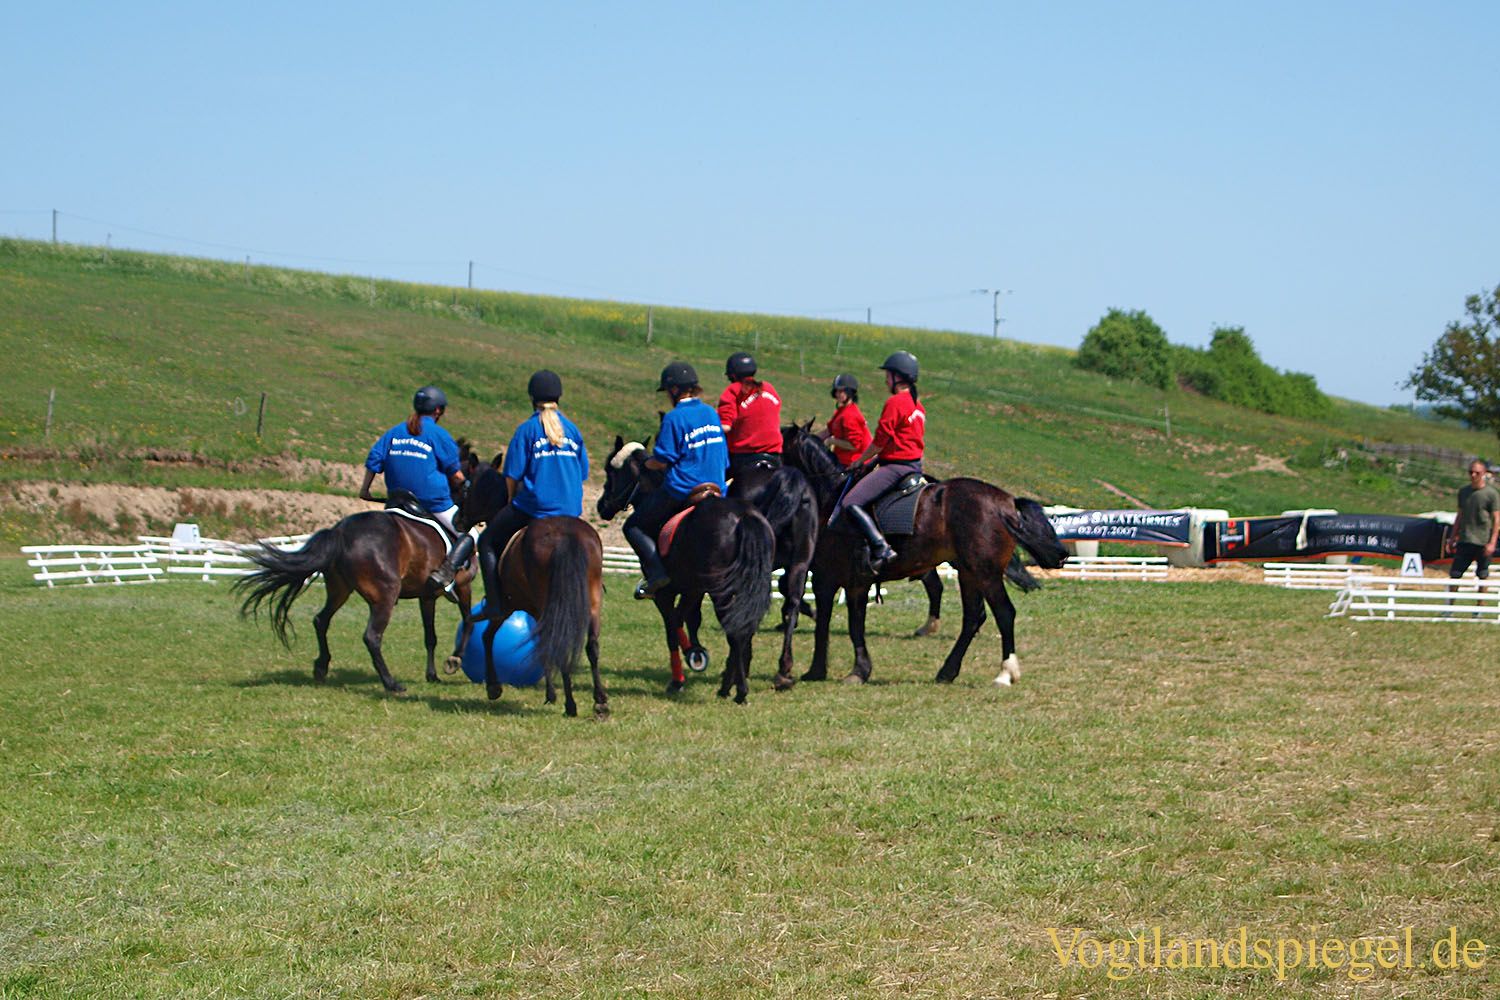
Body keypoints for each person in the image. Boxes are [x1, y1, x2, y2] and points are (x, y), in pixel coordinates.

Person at [437, 370, 590, 592]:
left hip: (534, 508)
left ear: (532, 398)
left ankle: (495, 601)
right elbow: (583, 473)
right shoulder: (573, 431)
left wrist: (510, 500)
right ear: (558, 397)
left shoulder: (527, 430)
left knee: (487, 541)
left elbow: (512, 475)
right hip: (571, 509)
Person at [625, 361, 729, 598]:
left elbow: (662, 460)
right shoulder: (711, 413)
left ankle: (656, 574)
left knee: (633, 525)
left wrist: (645, 463)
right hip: (717, 486)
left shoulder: (674, 418)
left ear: (673, 390)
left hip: (684, 489)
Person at [360, 386, 468, 582]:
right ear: (438, 411)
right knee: (470, 536)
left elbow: (374, 460)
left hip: (397, 500)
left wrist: (365, 490)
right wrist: (467, 486)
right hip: (432, 503)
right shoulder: (439, 435)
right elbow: (456, 475)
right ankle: (446, 575)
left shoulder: (394, 431)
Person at [830, 351, 925, 572]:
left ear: (897, 377)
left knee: (850, 502)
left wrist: (860, 461)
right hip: (914, 464)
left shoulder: (895, 402)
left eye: (888, 375)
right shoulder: (917, 405)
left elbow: (880, 441)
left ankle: (881, 546)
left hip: (896, 467)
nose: (885, 380)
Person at [717, 351, 783, 478]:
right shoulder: (769, 388)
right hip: (775, 455)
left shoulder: (733, 390)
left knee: (715, 484)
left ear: (732, 375)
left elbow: (726, 427)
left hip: (744, 455)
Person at [1448, 459, 1499, 581]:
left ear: (1484, 473)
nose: (1473, 475)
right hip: (1465, 539)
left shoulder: (1491, 494)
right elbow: (1460, 515)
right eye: (1471, 472)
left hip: (1483, 540)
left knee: (1482, 574)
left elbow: (1497, 519)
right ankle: (1451, 599)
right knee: (1455, 573)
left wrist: (1492, 543)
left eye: (1477, 473)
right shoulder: (1464, 492)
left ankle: (1481, 601)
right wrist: (1452, 537)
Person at [818, 373, 872, 467]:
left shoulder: (850, 415)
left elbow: (854, 445)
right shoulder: (842, 411)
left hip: (853, 463)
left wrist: (832, 441)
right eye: (836, 391)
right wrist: (810, 438)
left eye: (841, 391)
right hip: (841, 459)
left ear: (850, 393)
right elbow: (829, 431)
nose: (837, 394)